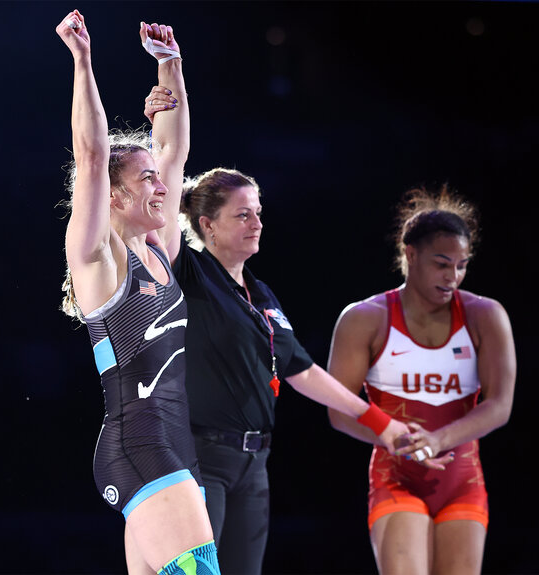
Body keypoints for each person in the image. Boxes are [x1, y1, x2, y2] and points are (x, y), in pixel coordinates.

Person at [139, 23, 411, 575]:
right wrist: (171, 68)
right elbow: (168, 160)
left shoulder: (261, 296)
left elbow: (303, 372)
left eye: (259, 210)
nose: (257, 222)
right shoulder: (185, 272)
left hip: (254, 462)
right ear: (207, 226)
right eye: (243, 214)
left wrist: (384, 427)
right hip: (198, 459)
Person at [54, 12, 220, 575]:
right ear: (115, 197)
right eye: (144, 179)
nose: (162, 185)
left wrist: (169, 64)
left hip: (175, 453)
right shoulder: (100, 259)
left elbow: (174, 152)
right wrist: (83, 60)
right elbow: (92, 155)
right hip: (142, 449)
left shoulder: (159, 251)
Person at [326, 186, 517, 575]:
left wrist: (437, 441)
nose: (453, 277)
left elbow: (500, 405)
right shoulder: (365, 318)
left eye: (462, 265)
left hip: (462, 479)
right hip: (396, 476)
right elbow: (338, 411)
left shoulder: (485, 315)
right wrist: (391, 436)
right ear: (410, 255)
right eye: (442, 264)